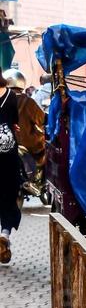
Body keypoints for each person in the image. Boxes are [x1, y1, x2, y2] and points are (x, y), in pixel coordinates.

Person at [0, 71, 22, 264]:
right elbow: (14, 121)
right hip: (8, 154)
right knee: (9, 196)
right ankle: (5, 234)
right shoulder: (12, 96)